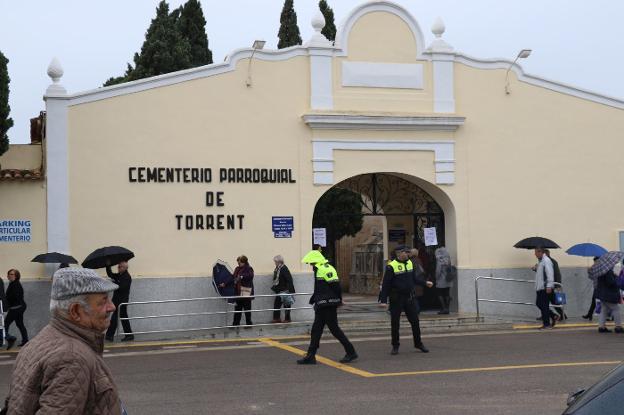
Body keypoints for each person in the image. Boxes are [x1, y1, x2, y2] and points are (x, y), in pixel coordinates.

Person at [3, 267, 124, 414]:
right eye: (103, 301)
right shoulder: (72, 357)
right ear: (76, 311)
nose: (112, 307)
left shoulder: (38, 341)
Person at [297, 250, 357, 365]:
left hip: (328, 305)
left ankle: (351, 352)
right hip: (322, 304)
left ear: (316, 261)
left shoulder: (325, 268)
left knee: (334, 330)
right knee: (316, 330)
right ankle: (311, 356)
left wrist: (339, 300)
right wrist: (315, 299)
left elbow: (335, 285)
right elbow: (320, 288)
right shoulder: (320, 269)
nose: (310, 265)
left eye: (311, 263)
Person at [379, 245, 434, 355]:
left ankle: (418, 343)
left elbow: (414, 279)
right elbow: (386, 285)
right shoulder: (391, 266)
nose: (407, 254)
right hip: (396, 299)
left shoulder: (410, 263)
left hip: (409, 298)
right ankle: (395, 346)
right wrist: (383, 301)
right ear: (399, 253)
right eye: (405, 252)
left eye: (408, 252)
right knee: (395, 323)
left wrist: (425, 283)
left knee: (415, 322)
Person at [105, 261, 134, 342]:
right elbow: (110, 274)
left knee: (116, 318)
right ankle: (129, 335)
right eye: (118, 267)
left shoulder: (127, 277)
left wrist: (114, 282)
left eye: (120, 267)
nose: (118, 268)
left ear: (125, 268)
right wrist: (108, 266)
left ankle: (109, 336)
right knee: (123, 318)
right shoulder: (120, 275)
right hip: (117, 301)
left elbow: (122, 288)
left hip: (122, 302)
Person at [4, 269, 29, 350]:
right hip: (18, 307)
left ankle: (10, 339)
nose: (9, 275)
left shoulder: (15, 284)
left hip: (16, 308)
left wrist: (6, 302)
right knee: (19, 324)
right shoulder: (12, 283)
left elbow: (14, 297)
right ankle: (25, 341)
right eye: (9, 274)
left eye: (12, 274)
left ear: (16, 276)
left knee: (5, 324)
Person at [534, 247, 556, 329]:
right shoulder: (541, 261)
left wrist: (549, 286)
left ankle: (546, 324)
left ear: (540, 252)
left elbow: (550, 274)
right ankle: (553, 315)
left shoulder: (546, 261)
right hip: (540, 287)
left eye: (536, 252)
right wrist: (536, 269)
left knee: (544, 305)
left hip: (544, 287)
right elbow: (542, 274)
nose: (535, 254)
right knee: (539, 304)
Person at [595, 267, 623, 333]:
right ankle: (618, 327)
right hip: (609, 295)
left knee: (603, 310)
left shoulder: (600, 270)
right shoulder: (608, 271)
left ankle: (601, 327)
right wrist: (616, 277)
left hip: (603, 294)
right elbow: (611, 282)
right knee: (616, 309)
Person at [271, 255, 296, 323]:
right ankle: (277, 318)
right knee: (277, 304)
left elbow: (289, 279)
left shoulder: (284, 268)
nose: (275, 263)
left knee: (287, 305)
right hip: (279, 290)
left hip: (285, 290)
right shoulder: (278, 268)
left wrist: (288, 290)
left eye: (275, 262)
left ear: (279, 262)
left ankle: (287, 319)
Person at [232, 255, 254, 327]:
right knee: (237, 308)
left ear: (244, 262)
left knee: (247, 308)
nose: (238, 264)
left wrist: (241, 276)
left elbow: (250, 276)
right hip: (238, 291)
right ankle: (235, 324)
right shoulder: (237, 268)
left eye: (240, 262)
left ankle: (249, 324)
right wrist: (225, 283)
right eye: (238, 262)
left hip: (245, 290)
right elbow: (233, 277)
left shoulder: (248, 268)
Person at [544, 249, 566, 320]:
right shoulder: (543, 262)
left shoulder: (553, 262)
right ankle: (545, 315)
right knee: (545, 302)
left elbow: (557, 273)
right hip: (545, 285)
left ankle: (562, 315)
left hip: (550, 285)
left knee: (553, 301)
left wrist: (558, 285)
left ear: (547, 254)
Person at [434, 247, 453, 314]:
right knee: (447, 293)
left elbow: (438, 271)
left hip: (441, 280)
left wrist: (436, 278)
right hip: (448, 279)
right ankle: (447, 309)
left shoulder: (440, 260)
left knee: (440, 294)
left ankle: (443, 308)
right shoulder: (448, 260)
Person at [583, 257, 601, 321]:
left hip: (601, 288)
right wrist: (589, 271)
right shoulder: (594, 268)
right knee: (593, 302)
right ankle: (589, 314)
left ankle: (610, 316)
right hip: (596, 287)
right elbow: (591, 277)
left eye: (595, 261)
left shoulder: (602, 268)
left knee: (605, 303)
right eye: (594, 262)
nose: (595, 263)